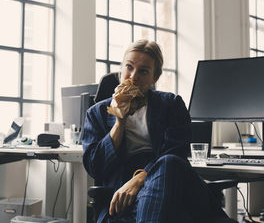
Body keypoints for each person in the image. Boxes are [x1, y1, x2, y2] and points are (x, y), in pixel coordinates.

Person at [82, 40, 229, 223]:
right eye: (129, 67)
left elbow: (176, 153)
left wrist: (140, 178)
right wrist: (119, 122)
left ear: (154, 78)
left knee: (168, 162)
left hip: (169, 182)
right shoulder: (97, 113)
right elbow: (95, 167)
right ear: (120, 70)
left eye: (143, 71)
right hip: (122, 195)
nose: (133, 77)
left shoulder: (171, 105)